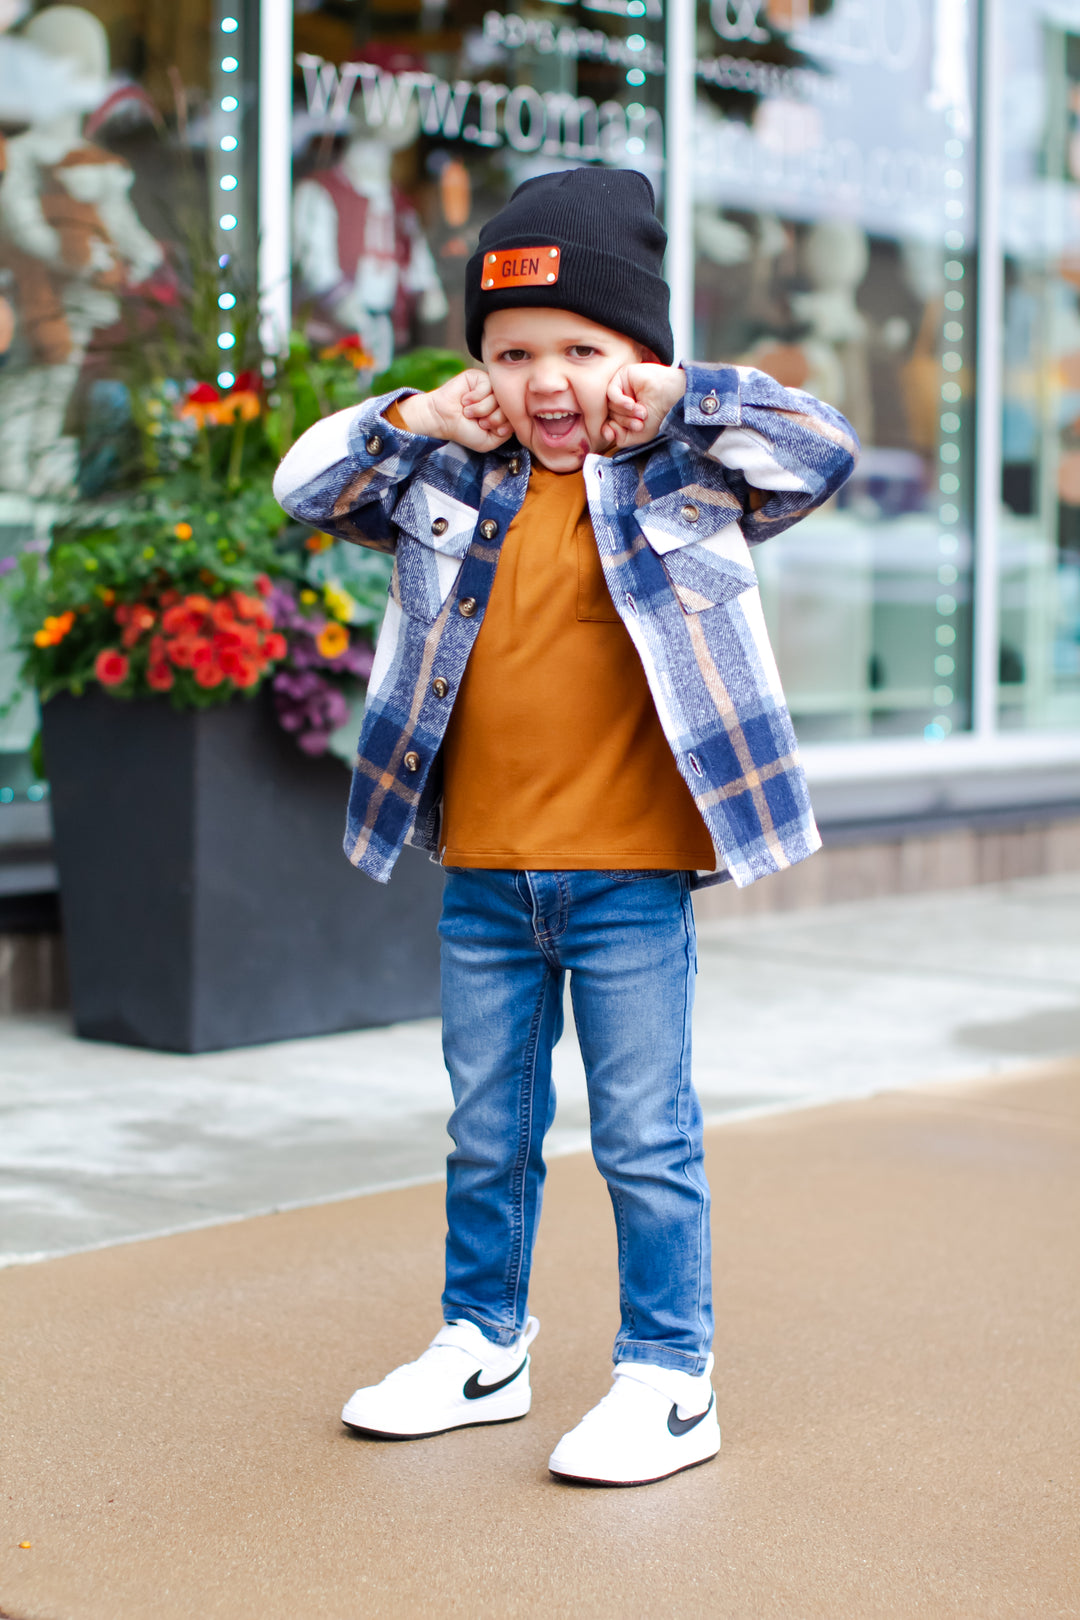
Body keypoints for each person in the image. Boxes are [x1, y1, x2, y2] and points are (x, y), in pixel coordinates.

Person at [273, 167, 858, 1487]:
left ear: (639, 357)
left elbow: (824, 447)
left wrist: (681, 397)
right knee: (486, 1127)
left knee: (644, 1132)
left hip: (628, 880)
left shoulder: (690, 472)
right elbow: (303, 488)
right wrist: (417, 411)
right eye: (512, 352)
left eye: (584, 352)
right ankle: (482, 1345)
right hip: (483, 873)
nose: (548, 382)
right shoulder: (455, 478)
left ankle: (668, 1374)